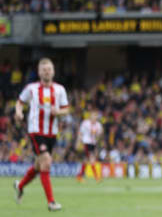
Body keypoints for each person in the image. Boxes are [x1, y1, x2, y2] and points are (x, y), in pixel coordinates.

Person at [13, 57, 69, 211]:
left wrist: (58, 112)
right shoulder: (31, 88)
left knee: (39, 166)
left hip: (52, 132)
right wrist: (19, 112)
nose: (47, 72)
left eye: (49, 69)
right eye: (44, 69)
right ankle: (51, 203)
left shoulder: (60, 89)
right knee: (46, 161)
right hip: (36, 130)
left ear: (53, 71)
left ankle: (20, 185)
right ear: (39, 72)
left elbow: (66, 109)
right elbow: (19, 102)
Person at [76, 109, 103, 182]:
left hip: (93, 144)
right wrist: (79, 141)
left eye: (96, 116)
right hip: (86, 143)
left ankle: (79, 176)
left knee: (86, 160)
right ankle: (96, 177)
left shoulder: (98, 125)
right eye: (93, 116)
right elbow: (80, 132)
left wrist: (98, 136)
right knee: (92, 159)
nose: (95, 118)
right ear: (90, 116)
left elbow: (99, 134)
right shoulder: (85, 123)